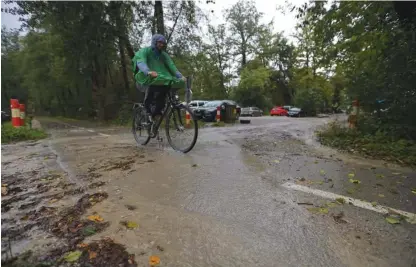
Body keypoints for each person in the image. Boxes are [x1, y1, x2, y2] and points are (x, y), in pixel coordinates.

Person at [131, 34, 186, 122]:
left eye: (163, 43)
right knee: (151, 89)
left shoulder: (164, 55)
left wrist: (180, 76)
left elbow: (171, 66)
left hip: (159, 79)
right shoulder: (145, 51)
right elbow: (140, 62)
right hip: (144, 79)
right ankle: (147, 112)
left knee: (165, 89)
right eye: (160, 42)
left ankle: (157, 113)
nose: (162, 45)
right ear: (155, 42)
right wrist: (148, 71)